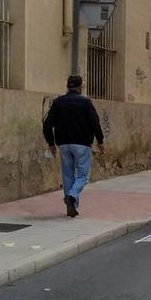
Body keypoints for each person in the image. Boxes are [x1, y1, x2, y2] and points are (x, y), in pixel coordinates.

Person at [43, 75, 104, 218]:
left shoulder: (58, 102)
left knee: (67, 175)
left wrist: (51, 143)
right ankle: (72, 196)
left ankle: (72, 206)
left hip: (63, 144)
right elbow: (95, 123)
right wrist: (100, 141)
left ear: (67, 86)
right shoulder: (85, 103)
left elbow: (47, 125)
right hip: (82, 144)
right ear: (80, 87)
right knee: (83, 175)